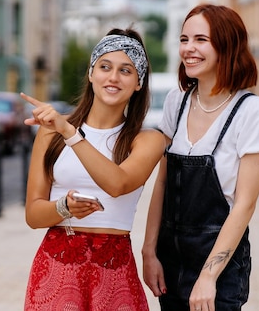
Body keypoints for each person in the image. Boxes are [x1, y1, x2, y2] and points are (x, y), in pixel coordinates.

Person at [142, 4, 259, 311]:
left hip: (221, 267)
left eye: (200, 40)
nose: (188, 49)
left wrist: (208, 276)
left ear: (226, 46)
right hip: (170, 261)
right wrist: (149, 252)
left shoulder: (251, 111)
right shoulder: (177, 101)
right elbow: (161, 183)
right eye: (184, 39)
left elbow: (245, 204)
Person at [22, 27, 165, 311]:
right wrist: (64, 208)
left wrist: (71, 133)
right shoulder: (50, 133)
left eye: (126, 70)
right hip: (56, 267)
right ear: (91, 73)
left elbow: (118, 183)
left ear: (139, 82)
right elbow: (33, 215)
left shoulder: (148, 140)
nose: (113, 77)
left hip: (114, 270)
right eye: (105, 67)